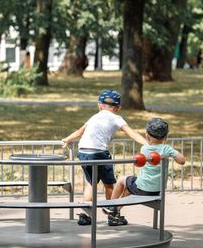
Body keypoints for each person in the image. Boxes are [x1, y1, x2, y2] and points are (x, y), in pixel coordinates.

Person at [62, 89, 148, 226]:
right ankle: (112, 214)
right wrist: (147, 144)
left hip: (83, 151)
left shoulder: (94, 117)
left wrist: (67, 139)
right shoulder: (116, 118)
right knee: (108, 185)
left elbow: (80, 131)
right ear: (118, 108)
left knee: (91, 182)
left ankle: (85, 214)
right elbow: (131, 133)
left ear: (99, 105)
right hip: (99, 153)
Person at [104, 118, 186, 224]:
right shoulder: (166, 149)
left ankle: (112, 206)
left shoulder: (144, 148)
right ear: (166, 137)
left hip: (142, 188)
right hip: (157, 189)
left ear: (146, 135)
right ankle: (116, 211)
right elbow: (182, 160)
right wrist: (173, 153)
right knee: (128, 189)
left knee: (121, 180)